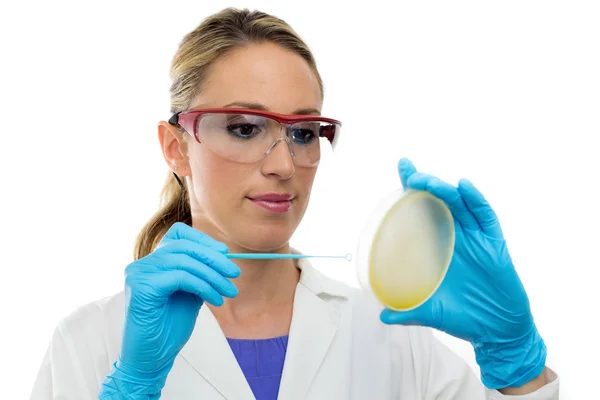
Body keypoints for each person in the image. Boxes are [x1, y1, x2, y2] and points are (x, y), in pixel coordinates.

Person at [29, 7, 559, 400]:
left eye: (304, 132)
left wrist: (515, 362)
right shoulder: (92, 340)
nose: (284, 164)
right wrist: (135, 386)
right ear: (176, 148)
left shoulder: (389, 339)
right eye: (244, 128)